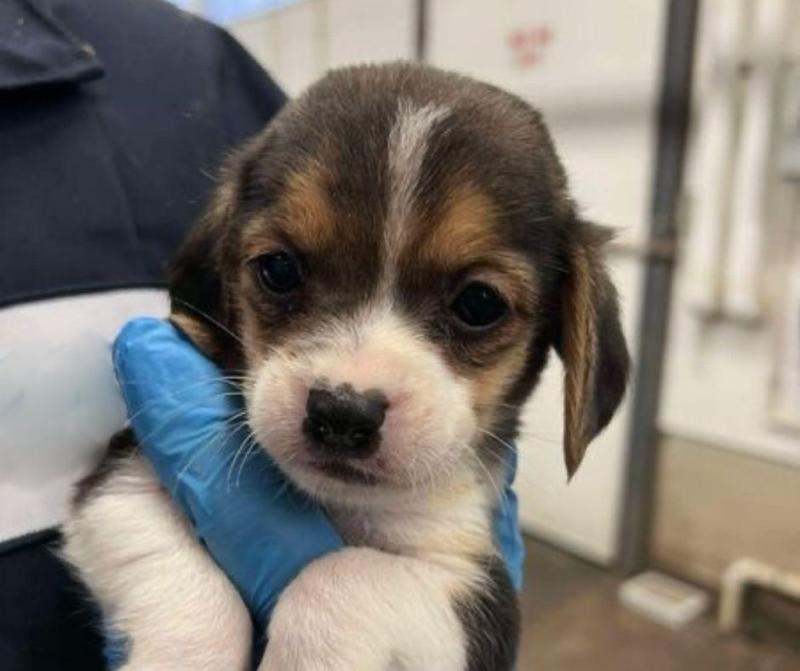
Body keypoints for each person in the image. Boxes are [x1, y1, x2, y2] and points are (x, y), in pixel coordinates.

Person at [0, 1, 522, 669]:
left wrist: (402, 609)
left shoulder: (189, 62)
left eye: (477, 305)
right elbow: (115, 498)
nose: (351, 386)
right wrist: (189, 631)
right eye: (280, 273)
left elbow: (473, 626)